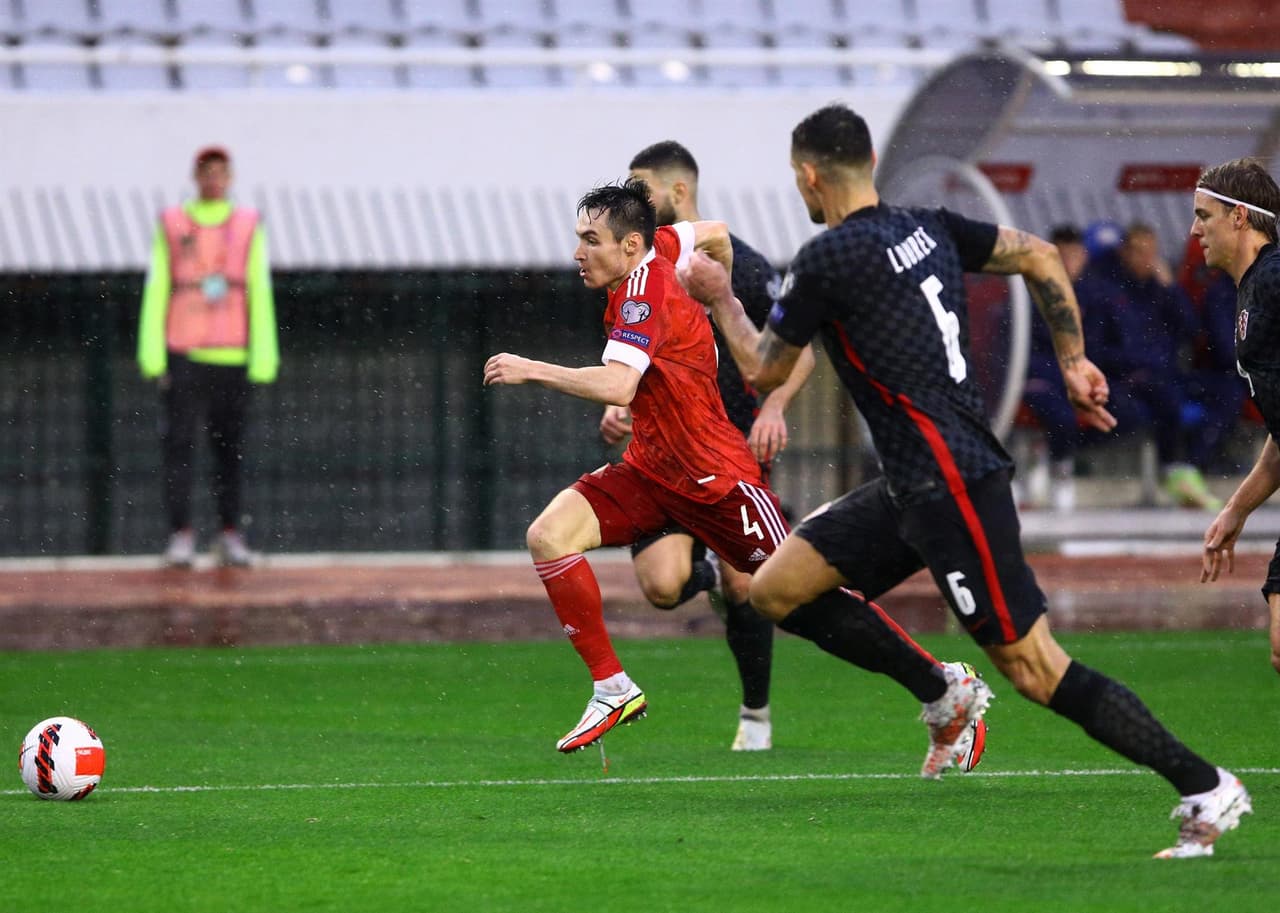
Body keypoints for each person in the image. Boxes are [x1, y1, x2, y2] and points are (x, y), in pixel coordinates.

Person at [680, 103, 1249, 858]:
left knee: (1036, 669)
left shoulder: (826, 259)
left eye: (797, 179)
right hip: (912, 483)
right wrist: (1074, 358)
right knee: (776, 589)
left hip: (952, 485)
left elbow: (760, 368)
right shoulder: (931, 227)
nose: (800, 191)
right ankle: (945, 692)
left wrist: (718, 294)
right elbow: (1041, 254)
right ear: (872, 160)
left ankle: (1205, 782)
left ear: (810, 176)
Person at [483, 178, 983, 772]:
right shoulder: (661, 247)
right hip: (652, 470)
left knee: (802, 602)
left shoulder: (645, 293)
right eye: (578, 239)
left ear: (629, 245)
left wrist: (530, 368)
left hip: (717, 481)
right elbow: (715, 233)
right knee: (548, 536)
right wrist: (713, 311)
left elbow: (618, 384)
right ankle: (612, 687)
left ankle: (944, 688)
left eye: (590, 240)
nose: (578, 253)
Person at [598, 140, 817, 751]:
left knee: (753, 587)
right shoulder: (636, 270)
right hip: (663, 458)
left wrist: (773, 405)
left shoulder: (736, 265)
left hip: (730, 454)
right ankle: (716, 578)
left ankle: (755, 716)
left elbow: (798, 353)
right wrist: (621, 404)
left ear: (678, 195)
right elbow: (637, 361)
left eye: (641, 189)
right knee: (663, 587)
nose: (632, 201)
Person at [137, 146, 279, 568]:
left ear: (230, 177)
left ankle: (230, 533)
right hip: (184, 350)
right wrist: (152, 354)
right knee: (179, 446)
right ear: (195, 176)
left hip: (232, 353)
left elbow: (259, 288)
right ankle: (181, 533)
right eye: (206, 172)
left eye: (221, 172)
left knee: (229, 449)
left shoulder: (248, 224)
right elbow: (158, 285)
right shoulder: (173, 222)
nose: (213, 179)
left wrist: (264, 354)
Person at [1196, 157, 1280, 679]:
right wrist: (1236, 509)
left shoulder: (1273, 279)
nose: (1194, 229)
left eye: (1204, 215)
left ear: (1240, 219)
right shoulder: (1252, 289)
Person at [1083, 220, 1220, 509]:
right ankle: (1173, 469)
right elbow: (1097, 350)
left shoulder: (1161, 291)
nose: (1147, 259)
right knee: (1162, 394)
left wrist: (1171, 287)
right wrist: (1140, 362)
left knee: (1227, 390)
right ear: (1125, 253)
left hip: (1168, 374)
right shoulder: (1106, 293)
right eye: (1140, 252)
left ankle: (1193, 468)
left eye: (1151, 252)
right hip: (1129, 377)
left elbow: (1192, 330)